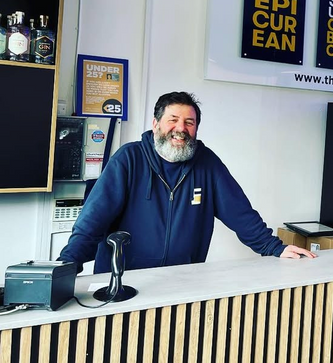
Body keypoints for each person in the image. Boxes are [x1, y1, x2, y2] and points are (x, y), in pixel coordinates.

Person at [59, 91, 315, 273]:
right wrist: (67, 266)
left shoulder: (207, 163)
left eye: (189, 122)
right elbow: (92, 220)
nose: (180, 128)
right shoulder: (129, 159)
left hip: (183, 281)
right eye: (173, 120)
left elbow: (240, 214)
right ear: (156, 124)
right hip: (125, 281)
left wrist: (274, 248)